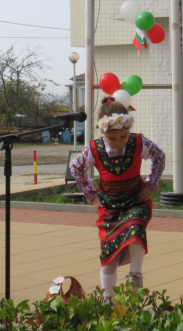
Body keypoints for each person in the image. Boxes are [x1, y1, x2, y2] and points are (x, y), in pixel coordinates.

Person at [69, 96, 166, 298]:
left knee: (136, 228)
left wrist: (152, 183)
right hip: (109, 207)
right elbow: (77, 168)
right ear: (102, 131)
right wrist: (91, 193)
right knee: (109, 257)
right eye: (113, 138)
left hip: (135, 200)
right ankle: (108, 300)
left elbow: (159, 156)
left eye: (124, 136)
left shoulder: (138, 141)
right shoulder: (94, 148)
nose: (119, 141)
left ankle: (136, 274)